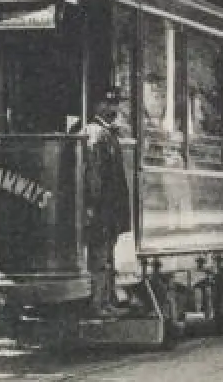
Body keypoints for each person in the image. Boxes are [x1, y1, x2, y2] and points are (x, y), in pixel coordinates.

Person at [82, 91, 132, 316]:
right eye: (108, 104)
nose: (113, 109)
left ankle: (106, 300)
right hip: (102, 207)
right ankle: (98, 303)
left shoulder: (107, 134)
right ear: (97, 106)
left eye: (114, 104)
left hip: (109, 208)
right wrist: (92, 203)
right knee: (100, 256)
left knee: (106, 255)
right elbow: (94, 174)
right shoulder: (96, 134)